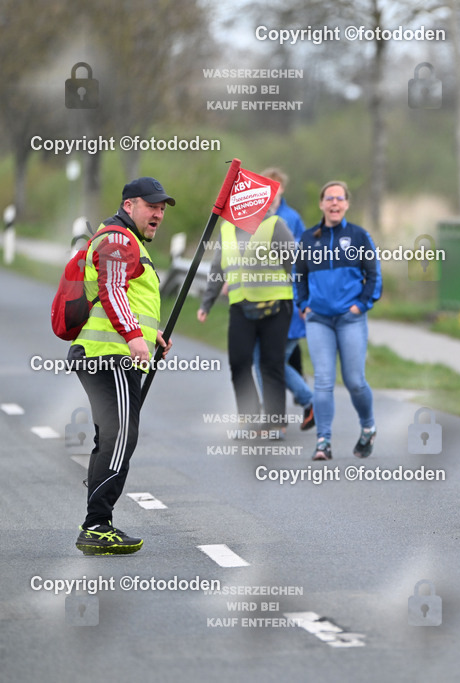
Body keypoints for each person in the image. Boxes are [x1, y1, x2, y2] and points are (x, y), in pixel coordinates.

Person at [71, 177, 174, 555]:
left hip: (110, 354)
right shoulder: (116, 238)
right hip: (109, 356)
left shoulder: (124, 239)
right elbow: (113, 290)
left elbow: (126, 297)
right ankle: (97, 525)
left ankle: (98, 523)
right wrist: (133, 338)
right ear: (129, 205)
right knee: (119, 438)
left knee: (113, 438)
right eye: (152, 206)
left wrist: (151, 335)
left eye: (162, 208)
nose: (159, 214)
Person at [294, 181, 381, 461]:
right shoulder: (308, 238)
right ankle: (323, 442)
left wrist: (361, 306)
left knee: (354, 381)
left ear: (346, 204)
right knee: (322, 381)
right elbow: (299, 276)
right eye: (329, 198)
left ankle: (368, 426)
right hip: (318, 319)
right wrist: (303, 305)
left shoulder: (359, 236)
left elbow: (374, 276)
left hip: (350, 319)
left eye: (339, 199)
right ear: (321, 204)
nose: (334, 203)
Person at [198, 194, 295, 437]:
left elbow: (294, 263)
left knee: (270, 364)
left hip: (276, 305)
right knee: (239, 362)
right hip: (240, 305)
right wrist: (206, 303)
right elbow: (218, 267)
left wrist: (304, 301)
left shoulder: (275, 225)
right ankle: (249, 420)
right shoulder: (227, 228)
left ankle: (276, 424)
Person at [252, 168, 314, 431]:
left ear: (283, 189)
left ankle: (303, 403)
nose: (271, 192)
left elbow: (298, 261)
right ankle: (280, 414)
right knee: (267, 361)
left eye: (276, 187)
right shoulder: (253, 217)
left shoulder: (291, 219)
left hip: (286, 304)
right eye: (266, 186)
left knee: (268, 362)